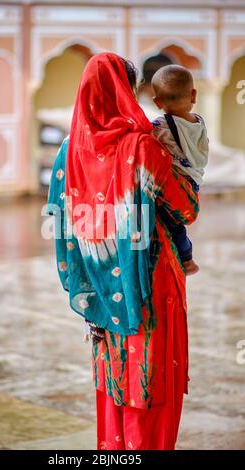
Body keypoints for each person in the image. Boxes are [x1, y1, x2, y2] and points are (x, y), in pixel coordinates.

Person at [46, 53, 199, 450]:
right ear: (126, 92)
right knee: (149, 381)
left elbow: (61, 224)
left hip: (98, 290)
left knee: (115, 382)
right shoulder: (142, 148)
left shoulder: (67, 150)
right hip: (150, 285)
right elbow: (186, 208)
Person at [151, 64, 209, 276]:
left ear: (157, 102)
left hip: (175, 184)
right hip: (193, 181)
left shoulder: (159, 127)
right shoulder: (199, 123)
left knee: (172, 223)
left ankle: (187, 259)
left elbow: (143, 141)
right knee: (175, 222)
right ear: (194, 95)